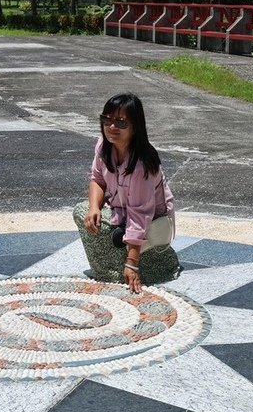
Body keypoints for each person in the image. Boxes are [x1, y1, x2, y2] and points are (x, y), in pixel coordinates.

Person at [73, 93, 181, 293]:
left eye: (121, 123)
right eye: (107, 120)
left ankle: (124, 266)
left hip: (152, 220)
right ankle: (119, 259)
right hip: (120, 210)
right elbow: (97, 178)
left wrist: (132, 263)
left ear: (135, 127)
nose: (112, 127)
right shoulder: (104, 146)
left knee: (116, 233)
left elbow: (140, 214)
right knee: (84, 214)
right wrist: (94, 207)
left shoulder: (142, 164)